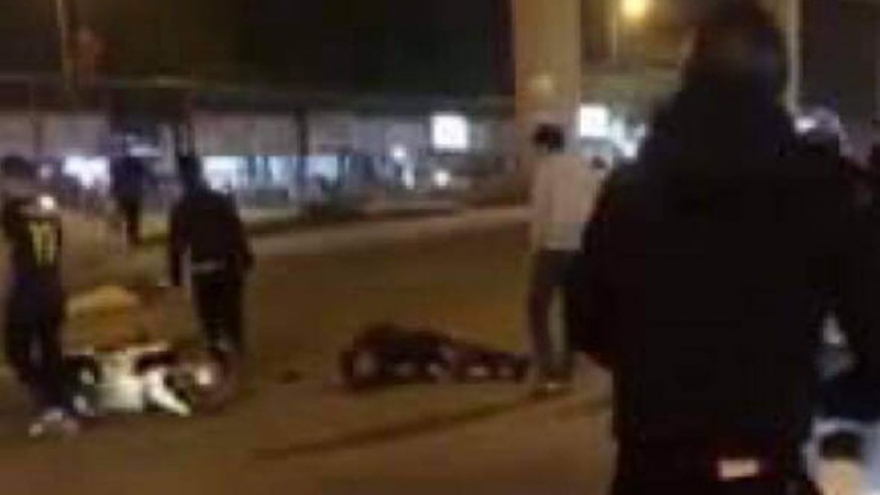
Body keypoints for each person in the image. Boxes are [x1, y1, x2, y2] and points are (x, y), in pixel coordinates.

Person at [565, 3, 880, 494]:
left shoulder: (630, 189)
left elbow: (585, 323)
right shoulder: (824, 189)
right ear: (778, 81)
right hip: (764, 467)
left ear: (689, 76)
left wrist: (663, 369)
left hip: (649, 469)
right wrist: (810, 388)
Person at [0, 155, 77, 437]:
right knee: (50, 348)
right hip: (52, 288)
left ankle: (49, 403)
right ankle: (60, 404)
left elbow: (8, 251)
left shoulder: (10, 211)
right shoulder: (47, 210)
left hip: (27, 291)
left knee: (17, 351)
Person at [527, 124, 607, 396]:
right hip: (581, 247)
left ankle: (547, 365)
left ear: (543, 146)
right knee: (571, 308)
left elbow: (541, 210)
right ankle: (568, 365)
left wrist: (535, 244)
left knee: (537, 306)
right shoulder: (584, 167)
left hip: (553, 245)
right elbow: (598, 201)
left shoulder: (546, 169)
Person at [169, 154, 253, 375]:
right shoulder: (220, 200)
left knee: (209, 318)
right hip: (227, 266)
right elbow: (236, 230)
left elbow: (176, 245)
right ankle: (238, 355)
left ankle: (220, 360)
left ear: (181, 178)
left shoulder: (181, 207)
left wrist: (175, 275)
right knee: (231, 313)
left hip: (202, 269)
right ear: (200, 172)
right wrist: (245, 257)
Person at [109, 155, 151, 248]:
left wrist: (114, 192)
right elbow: (147, 174)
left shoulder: (119, 168)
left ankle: (128, 237)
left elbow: (115, 182)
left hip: (125, 195)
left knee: (125, 216)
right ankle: (132, 237)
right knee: (132, 218)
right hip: (133, 195)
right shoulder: (137, 166)